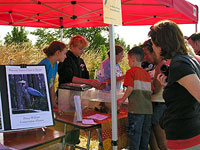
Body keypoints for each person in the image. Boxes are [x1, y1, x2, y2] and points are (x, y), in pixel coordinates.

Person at [149, 20, 200, 149]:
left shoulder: (179, 64)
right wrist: (169, 86)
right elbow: (186, 94)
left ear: (161, 44)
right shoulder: (187, 59)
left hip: (186, 138)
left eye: (153, 43)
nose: (153, 47)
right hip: (187, 134)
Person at [58, 35, 104, 150]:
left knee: (77, 123)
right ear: (72, 46)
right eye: (80, 49)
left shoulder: (81, 60)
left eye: (83, 49)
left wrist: (95, 84)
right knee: (69, 124)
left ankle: (72, 145)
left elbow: (86, 77)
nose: (82, 51)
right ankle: (67, 145)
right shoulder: (66, 58)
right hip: (66, 97)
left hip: (78, 97)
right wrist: (89, 81)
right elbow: (69, 77)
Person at [117, 46, 153, 150]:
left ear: (133, 59)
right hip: (148, 110)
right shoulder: (146, 74)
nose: (128, 62)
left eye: (128, 59)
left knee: (134, 137)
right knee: (144, 137)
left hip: (135, 109)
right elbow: (151, 90)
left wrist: (122, 100)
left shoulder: (131, 72)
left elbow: (130, 88)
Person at [142, 39, 167, 150]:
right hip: (155, 103)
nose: (145, 57)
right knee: (153, 138)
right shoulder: (157, 65)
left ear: (154, 52)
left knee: (161, 141)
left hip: (159, 104)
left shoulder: (161, 65)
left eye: (146, 54)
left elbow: (156, 89)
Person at [39, 41, 67, 109]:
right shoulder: (45, 64)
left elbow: (52, 85)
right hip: (40, 100)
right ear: (58, 52)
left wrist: (53, 103)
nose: (65, 56)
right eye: (64, 53)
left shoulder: (55, 65)